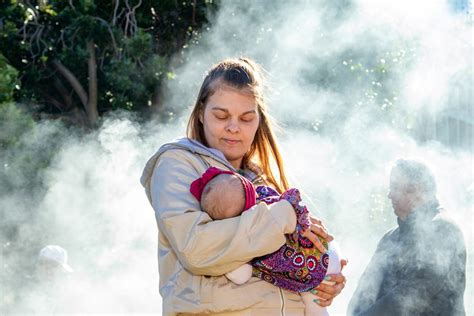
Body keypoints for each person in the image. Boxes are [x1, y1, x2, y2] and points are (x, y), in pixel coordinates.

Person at [141, 57, 346, 315]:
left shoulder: (263, 179)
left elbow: (289, 254)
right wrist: (283, 216)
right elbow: (197, 249)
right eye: (221, 115)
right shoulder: (178, 163)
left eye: (247, 118)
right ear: (201, 113)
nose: (233, 128)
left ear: (259, 119)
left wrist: (322, 274)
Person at [189, 166, 343, 316]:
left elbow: (240, 276)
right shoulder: (267, 195)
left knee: (315, 308)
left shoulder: (247, 238)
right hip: (327, 250)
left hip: (315, 269)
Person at [347, 159, 467, 316]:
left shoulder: (442, 229)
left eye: (395, 187)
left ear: (416, 190)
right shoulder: (390, 238)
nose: (389, 195)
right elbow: (365, 290)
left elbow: (415, 293)